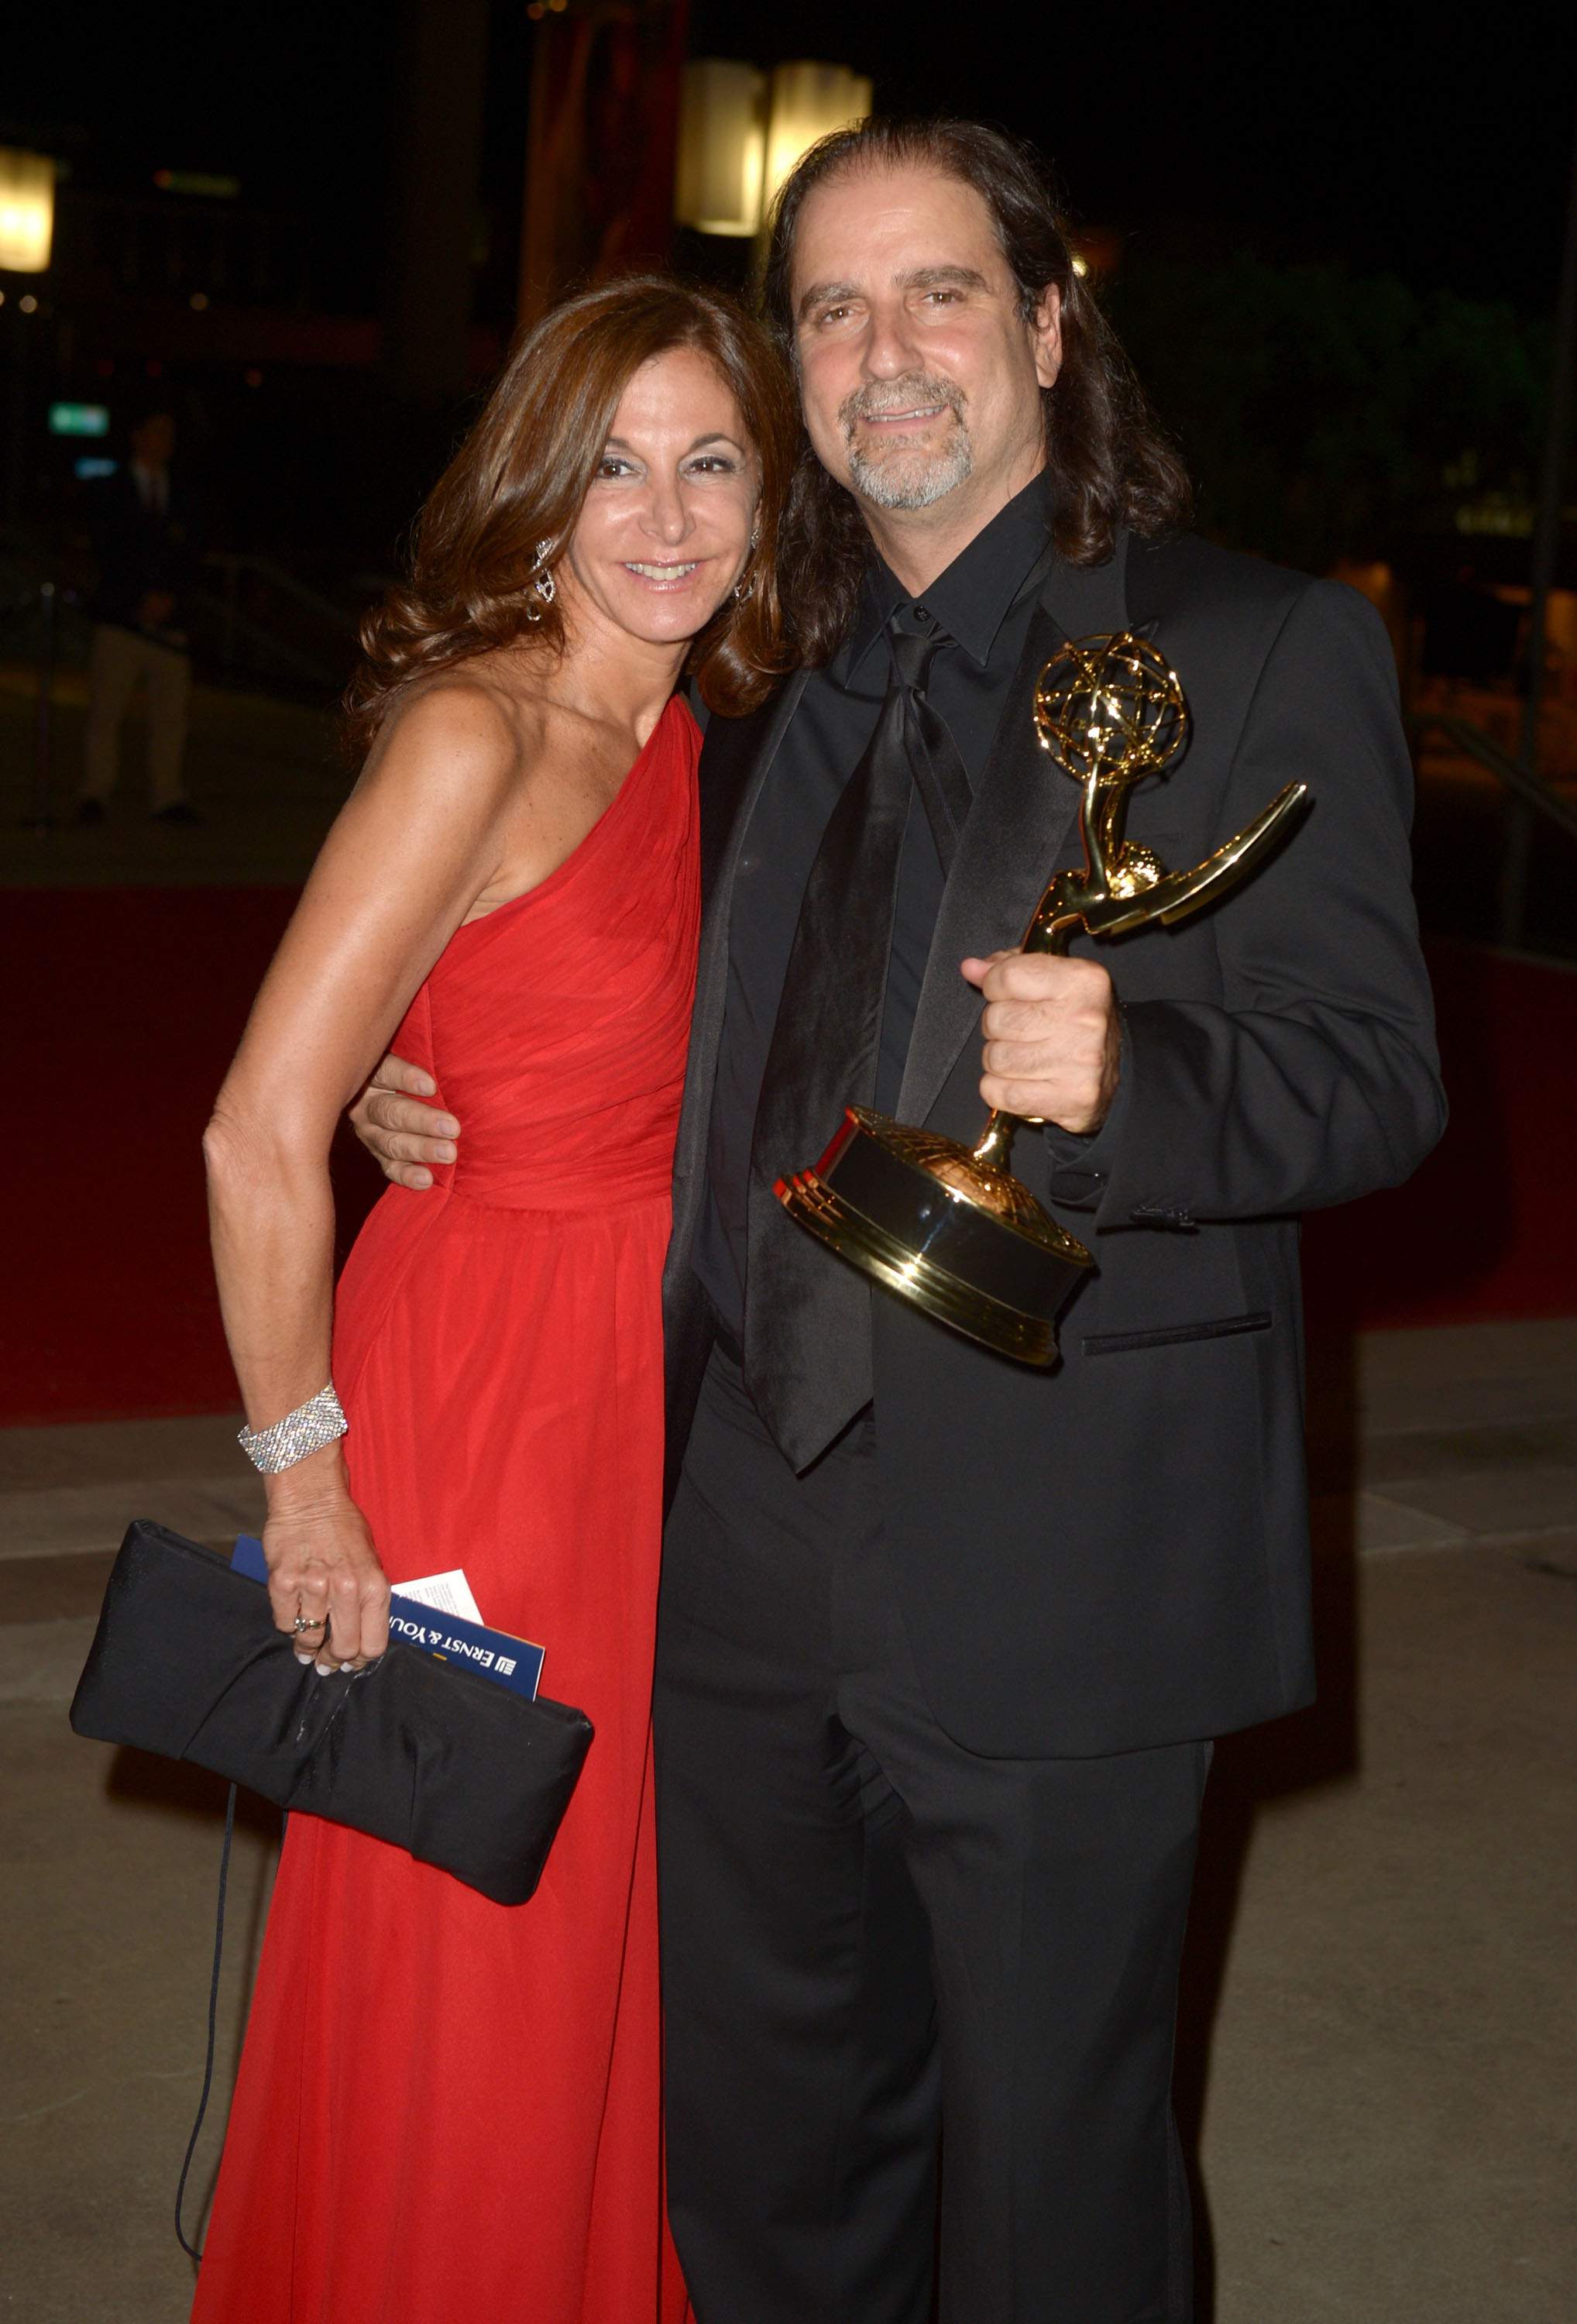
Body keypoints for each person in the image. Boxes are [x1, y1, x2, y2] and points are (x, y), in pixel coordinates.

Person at [353, 122, 1447, 2324]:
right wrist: (426, 1075)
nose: (882, 353)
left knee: (1049, 2195)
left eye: (935, 291)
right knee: (759, 2159)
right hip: (740, 1536)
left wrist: (1148, 1077)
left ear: (1046, 321)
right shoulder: (743, 680)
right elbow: (613, 972)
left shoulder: (1250, 652)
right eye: (830, 312)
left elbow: (1386, 1081)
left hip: (1066, 1554)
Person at [194, 274, 795, 2324]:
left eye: (709, 459)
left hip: (659, 1392)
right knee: (476, 1917)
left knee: (611, 1912)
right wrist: (305, 1484)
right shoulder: (478, 726)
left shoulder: (721, 733)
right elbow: (256, 1129)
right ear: (540, 489)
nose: (665, 511)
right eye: (614, 461)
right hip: (479, 1398)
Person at [78, 405, 202, 825]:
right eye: (157, 431)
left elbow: (191, 555)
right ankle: (95, 792)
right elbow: (105, 549)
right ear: (137, 436)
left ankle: (167, 796)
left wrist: (170, 598)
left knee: (171, 717)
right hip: (120, 618)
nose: (164, 441)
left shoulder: (184, 491)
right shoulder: (108, 488)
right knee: (106, 711)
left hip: (171, 623)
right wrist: (137, 597)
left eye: (170, 433)